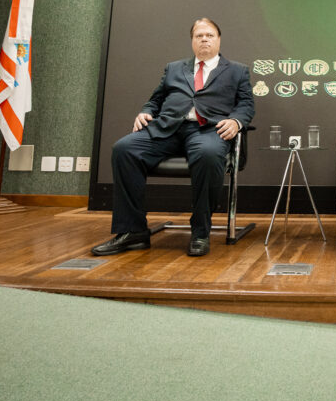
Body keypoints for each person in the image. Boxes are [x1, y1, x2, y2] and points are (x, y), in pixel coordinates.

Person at [91, 18, 254, 257]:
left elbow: (246, 105)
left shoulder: (237, 70)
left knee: (208, 155)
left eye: (209, 35)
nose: (204, 39)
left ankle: (200, 231)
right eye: (199, 36)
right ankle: (133, 231)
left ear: (219, 40)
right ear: (192, 41)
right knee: (124, 149)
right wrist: (146, 111)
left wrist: (236, 121)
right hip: (168, 129)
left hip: (208, 130)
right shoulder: (174, 68)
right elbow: (156, 99)